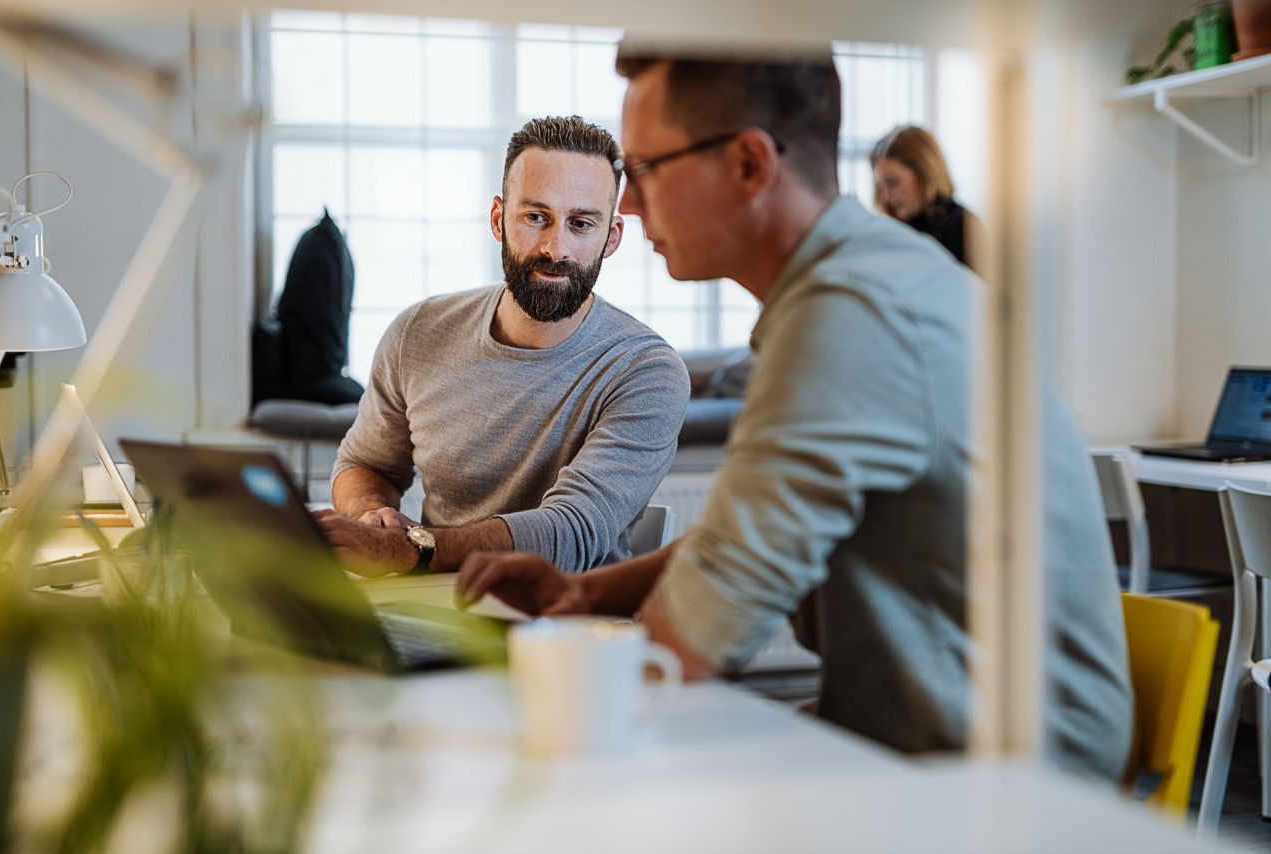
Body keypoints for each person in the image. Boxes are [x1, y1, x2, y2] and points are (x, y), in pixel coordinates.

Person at [457, 48, 1133, 781]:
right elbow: (736, 545)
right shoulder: (862, 279)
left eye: (646, 169)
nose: (627, 207)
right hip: (923, 744)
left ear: (750, 164)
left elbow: (682, 651)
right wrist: (588, 593)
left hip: (1007, 787)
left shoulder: (851, 317)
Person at [315, 116, 690, 578]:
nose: (556, 248)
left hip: (568, 626)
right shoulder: (418, 332)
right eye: (536, 217)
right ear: (498, 219)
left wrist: (405, 550)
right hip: (431, 609)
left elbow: (570, 533)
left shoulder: (647, 371)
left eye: (581, 224)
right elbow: (365, 464)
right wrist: (370, 514)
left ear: (610, 237)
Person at [870, 124, 984, 275]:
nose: (885, 196)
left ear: (924, 173)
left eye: (892, 182)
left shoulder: (964, 227)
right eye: (880, 186)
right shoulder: (891, 230)